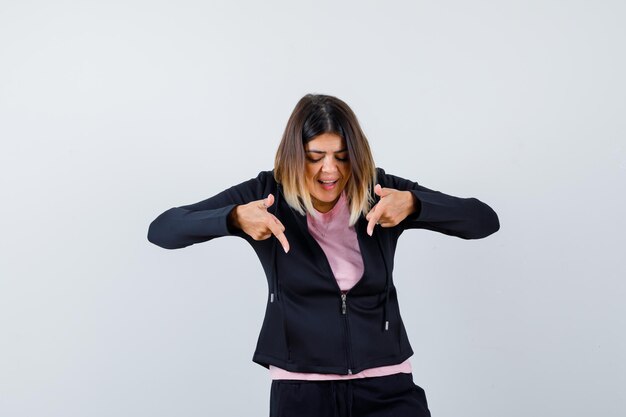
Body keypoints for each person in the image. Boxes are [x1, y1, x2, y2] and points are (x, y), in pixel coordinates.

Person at [147, 94, 500, 417]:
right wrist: (234, 217)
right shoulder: (266, 195)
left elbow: (483, 220)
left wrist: (415, 204)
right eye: (315, 158)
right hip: (301, 391)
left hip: (387, 385)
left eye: (342, 158)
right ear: (294, 156)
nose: (330, 171)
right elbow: (163, 229)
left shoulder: (378, 191)